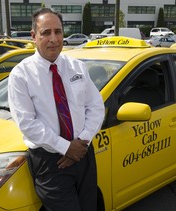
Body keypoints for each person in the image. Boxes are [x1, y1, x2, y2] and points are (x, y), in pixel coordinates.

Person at [8, 7, 105, 211]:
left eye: (58, 31)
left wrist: (81, 142)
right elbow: (27, 123)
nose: (53, 38)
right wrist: (65, 147)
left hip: (83, 153)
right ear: (34, 36)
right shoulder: (21, 75)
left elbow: (95, 106)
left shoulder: (77, 67)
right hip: (51, 162)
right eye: (46, 32)